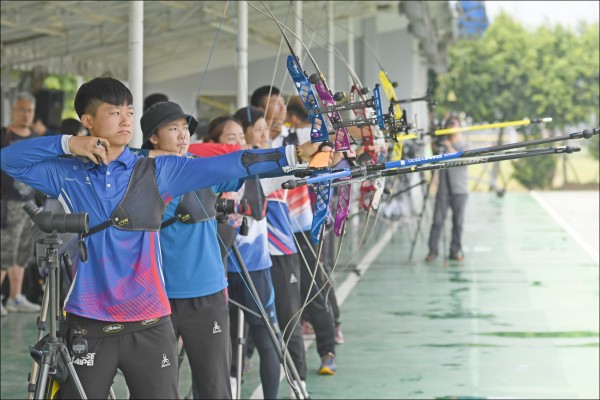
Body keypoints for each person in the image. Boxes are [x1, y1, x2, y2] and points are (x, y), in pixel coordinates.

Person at [0, 77, 331, 398]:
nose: (125, 119)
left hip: (149, 321)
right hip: (90, 320)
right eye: (114, 112)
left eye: (129, 111)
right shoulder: (68, 172)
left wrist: (295, 154)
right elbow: (8, 159)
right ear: (88, 120)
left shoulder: (157, 170)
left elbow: (231, 165)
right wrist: (69, 143)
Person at [139, 101, 238, 399]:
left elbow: (243, 166)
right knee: (155, 388)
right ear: (154, 138)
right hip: (157, 294)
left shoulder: (201, 167)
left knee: (214, 385)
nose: (183, 135)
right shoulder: (139, 173)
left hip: (207, 293)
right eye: (173, 129)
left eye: (185, 129)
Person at [200, 112, 283, 399]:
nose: (237, 143)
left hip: (254, 269)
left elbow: (292, 168)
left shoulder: (255, 172)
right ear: (213, 143)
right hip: (215, 274)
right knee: (215, 346)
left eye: (240, 137)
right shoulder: (201, 177)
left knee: (266, 339)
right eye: (229, 138)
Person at [285, 96, 340, 374]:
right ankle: (244, 357)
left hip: (304, 224)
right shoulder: (281, 140)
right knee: (280, 299)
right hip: (274, 234)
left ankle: (327, 350)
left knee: (314, 289)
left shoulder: (306, 140)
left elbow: (332, 158)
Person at [1, 91, 42, 317]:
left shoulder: (36, 138)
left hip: (29, 203)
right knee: (4, 252)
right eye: (22, 109)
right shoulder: (4, 136)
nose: (26, 114)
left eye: (29, 110)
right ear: (12, 111)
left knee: (23, 253)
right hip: (7, 202)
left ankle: (15, 297)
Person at [425, 116, 469, 262]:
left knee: (458, 223)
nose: (451, 127)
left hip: (460, 188)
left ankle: (455, 250)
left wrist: (449, 146)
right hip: (443, 187)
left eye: (453, 124)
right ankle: (433, 250)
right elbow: (434, 156)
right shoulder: (442, 143)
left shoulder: (464, 143)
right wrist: (435, 143)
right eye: (448, 124)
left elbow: (463, 160)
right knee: (437, 220)